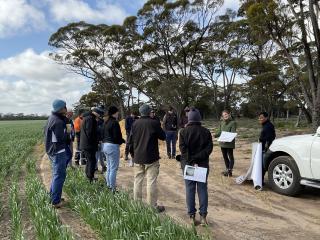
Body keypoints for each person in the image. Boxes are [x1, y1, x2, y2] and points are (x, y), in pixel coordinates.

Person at [129, 104, 166, 212]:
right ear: (149, 112)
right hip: (151, 157)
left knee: (137, 181)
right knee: (151, 182)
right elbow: (163, 137)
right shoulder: (154, 123)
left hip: (138, 156)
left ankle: (136, 205)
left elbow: (130, 140)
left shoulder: (135, 123)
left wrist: (132, 154)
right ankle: (152, 207)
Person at [179, 108, 213, 225]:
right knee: (202, 189)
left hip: (189, 165)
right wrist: (198, 159)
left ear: (189, 119)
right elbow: (209, 149)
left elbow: (183, 150)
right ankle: (203, 217)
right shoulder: (206, 132)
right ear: (199, 118)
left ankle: (191, 217)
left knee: (190, 189)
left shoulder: (183, 132)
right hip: (202, 165)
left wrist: (192, 161)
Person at [44, 99, 69, 208]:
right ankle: (55, 201)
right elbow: (61, 138)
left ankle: (54, 196)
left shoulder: (51, 118)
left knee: (56, 175)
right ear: (60, 109)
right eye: (65, 107)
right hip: (58, 151)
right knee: (59, 175)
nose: (66, 108)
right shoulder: (58, 122)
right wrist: (68, 133)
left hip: (52, 151)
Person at [102, 106, 125, 192]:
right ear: (114, 113)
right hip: (112, 146)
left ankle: (108, 185)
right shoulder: (114, 122)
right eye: (117, 112)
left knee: (109, 167)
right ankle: (112, 188)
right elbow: (117, 137)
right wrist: (121, 141)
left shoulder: (105, 122)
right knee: (114, 168)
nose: (118, 113)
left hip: (105, 145)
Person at [80, 107, 104, 182]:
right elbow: (90, 133)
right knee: (92, 161)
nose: (99, 116)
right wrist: (97, 140)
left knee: (89, 161)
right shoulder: (91, 119)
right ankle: (90, 178)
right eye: (99, 114)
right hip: (89, 144)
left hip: (85, 143)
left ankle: (88, 176)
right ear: (95, 112)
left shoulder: (86, 117)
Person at [215, 110, 237, 177]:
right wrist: (214, 135)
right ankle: (227, 170)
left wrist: (226, 139)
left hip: (229, 143)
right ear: (222, 116)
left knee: (230, 157)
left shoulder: (233, 123)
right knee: (225, 157)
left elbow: (232, 133)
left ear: (229, 114)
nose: (225, 115)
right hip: (222, 142)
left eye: (226, 114)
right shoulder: (221, 123)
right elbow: (219, 132)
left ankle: (230, 171)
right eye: (224, 115)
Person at [258, 111, 276, 182]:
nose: (260, 119)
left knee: (263, 165)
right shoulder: (265, 125)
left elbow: (271, 137)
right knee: (262, 164)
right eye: (259, 118)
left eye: (261, 118)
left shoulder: (268, 126)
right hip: (264, 147)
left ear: (266, 117)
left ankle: (260, 181)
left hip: (266, 148)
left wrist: (261, 139)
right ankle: (260, 180)